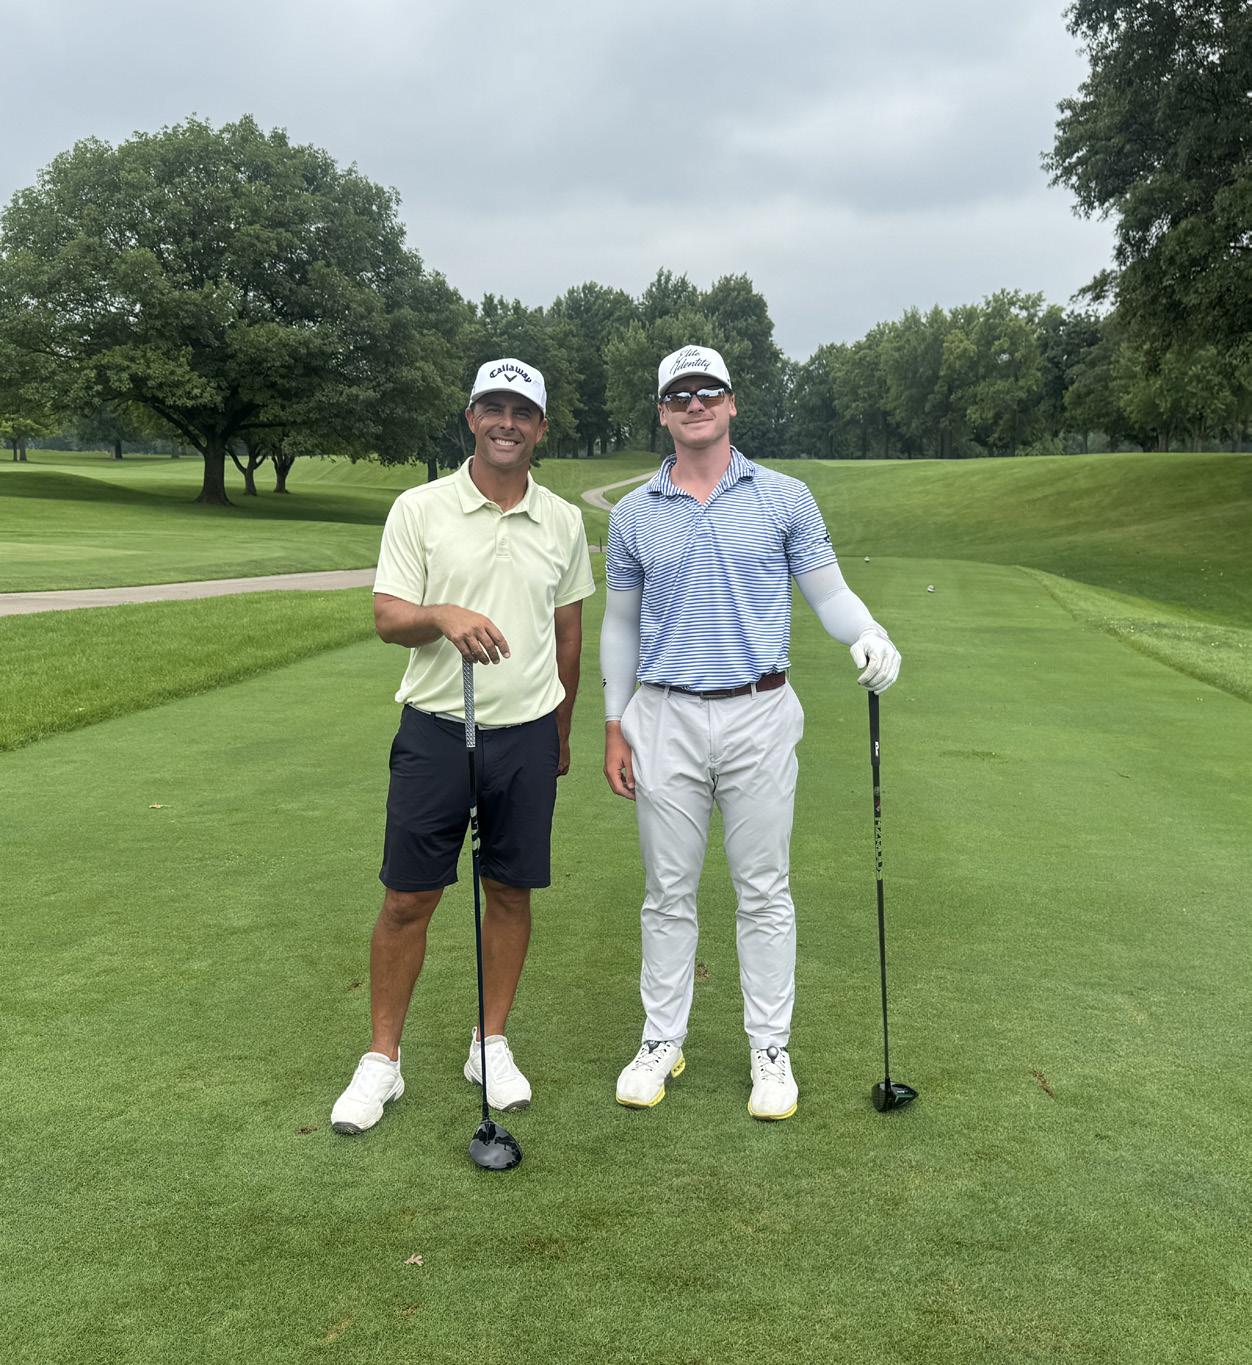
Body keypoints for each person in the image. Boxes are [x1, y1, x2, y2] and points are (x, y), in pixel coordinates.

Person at [601, 344, 901, 1120]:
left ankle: (770, 1047)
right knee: (667, 892)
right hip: (664, 712)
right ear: (663, 412)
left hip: (759, 711)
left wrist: (868, 633)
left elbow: (829, 594)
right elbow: (621, 625)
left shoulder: (784, 498)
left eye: (708, 390)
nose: (694, 403)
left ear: (732, 402)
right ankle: (661, 1038)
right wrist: (614, 721)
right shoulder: (634, 513)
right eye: (679, 394)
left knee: (764, 889)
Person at [332, 357, 594, 1134]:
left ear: (540, 427)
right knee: (407, 898)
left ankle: (490, 1041)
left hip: (526, 735)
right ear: (472, 417)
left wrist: (560, 732)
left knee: (511, 891)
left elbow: (568, 633)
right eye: (494, 407)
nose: (507, 422)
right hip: (437, 730)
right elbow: (388, 616)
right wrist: (442, 614)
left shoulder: (563, 521)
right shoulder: (420, 508)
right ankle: (383, 1059)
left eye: (522, 411)